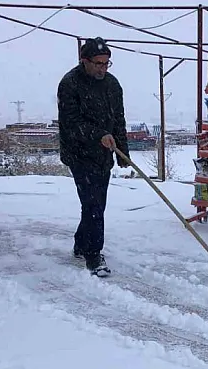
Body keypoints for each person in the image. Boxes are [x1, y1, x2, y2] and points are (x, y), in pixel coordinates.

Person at [57, 36, 130, 276]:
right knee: (93, 205)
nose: (102, 68)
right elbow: (71, 123)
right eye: (98, 63)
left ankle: (81, 243)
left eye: (106, 63)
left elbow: (118, 118)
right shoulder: (70, 84)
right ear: (84, 61)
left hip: (103, 154)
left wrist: (123, 154)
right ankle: (93, 255)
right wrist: (98, 135)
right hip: (78, 153)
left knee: (96, 204)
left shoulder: (112, 84)